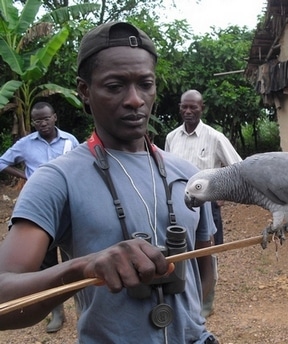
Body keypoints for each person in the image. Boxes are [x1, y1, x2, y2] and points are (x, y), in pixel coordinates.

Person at [0, 22, 219, 344]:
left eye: (145, 84)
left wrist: (198, 321)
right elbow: (4, 300)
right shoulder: (56, 180)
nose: (135, 100)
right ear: (85, 91)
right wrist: (81, 268)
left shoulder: (189, 176)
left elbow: (204, 260)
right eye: (115, 86)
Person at [0, 101, 79, 332]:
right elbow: (2, 162)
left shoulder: (69, 141)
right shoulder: (25, 144)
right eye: (37, 121)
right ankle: (57, 311)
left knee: (73, 256)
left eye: (46, 118)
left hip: (68, 206)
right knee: (46, 262)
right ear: (33, 122)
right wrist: (26, 176)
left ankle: (83, 305)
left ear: (54, 117)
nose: (42, 123)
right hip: (41, 209)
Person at [165, 89, 242, 317]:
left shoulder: (214, 137)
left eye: (193, 107)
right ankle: (186, 298)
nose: (188, 112)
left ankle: (205, 302)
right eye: (184, 107)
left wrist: (222, 193)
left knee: (207, 253)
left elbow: (237, 168)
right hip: (178, 206)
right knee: (181, 251)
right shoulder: (171, 138)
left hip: (206, 207)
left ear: (202, 108)